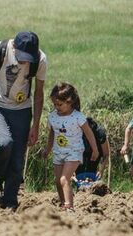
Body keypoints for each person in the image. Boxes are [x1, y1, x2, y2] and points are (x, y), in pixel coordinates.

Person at [0, 31, 46, 209]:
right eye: (22, 57)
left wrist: (35, 125)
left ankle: (10, 201)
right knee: (4, 143)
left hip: (22, 109)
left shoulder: (41, 60)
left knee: (18, 158)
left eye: (29, 58)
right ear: (14, 46)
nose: (25, 62)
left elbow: (39, 93)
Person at [42, 83, 99, 211]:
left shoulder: (78, 117)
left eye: (60, 105)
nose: (57, 107)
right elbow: (52, 134)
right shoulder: (52, 117)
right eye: (55, 104)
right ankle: (63, 204)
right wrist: (48, 149)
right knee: (58, 181)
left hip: (74, 152)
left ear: (70, 101)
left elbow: (88, 133)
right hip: (58, 152)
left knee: (64, 179)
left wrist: (95, 149)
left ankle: (69, 206)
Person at [79, 114, 109, 185]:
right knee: (80, 176)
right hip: (81, 153)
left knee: (92, 175)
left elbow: (106, 154)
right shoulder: (78, 132)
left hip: (96, 154)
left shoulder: (100, 133)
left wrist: (101, 170)